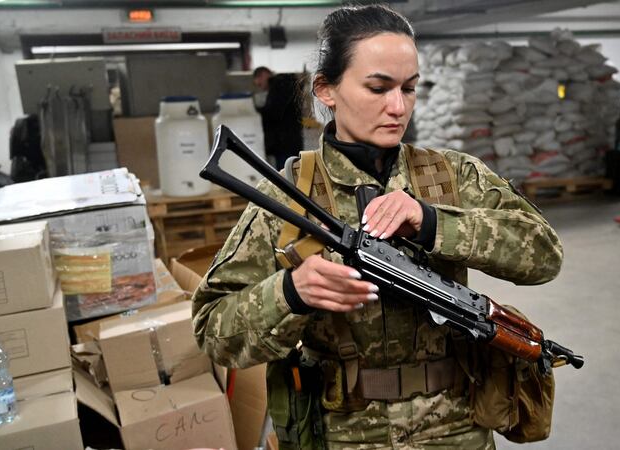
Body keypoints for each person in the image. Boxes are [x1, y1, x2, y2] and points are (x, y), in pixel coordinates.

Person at [193, 4, 562, 448]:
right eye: (378, 87)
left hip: (456, 428)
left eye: (409, 89)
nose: (398, 106)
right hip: (344, 432)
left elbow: (544, 255)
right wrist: (290, 293)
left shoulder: (452, 177)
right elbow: (213, 332)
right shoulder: (287, 195)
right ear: (326, 90)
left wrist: (434, 224)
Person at [253, 66, 304, 169]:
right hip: (289, 140)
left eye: (260, 84)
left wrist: (257, 111)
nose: (262, 88)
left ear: (263, 75)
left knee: (286, 174)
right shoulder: (285, 85)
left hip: (285, 142)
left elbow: (274, 112)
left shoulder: (279, 85)